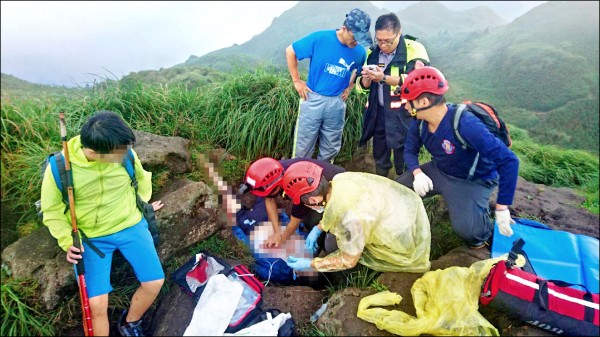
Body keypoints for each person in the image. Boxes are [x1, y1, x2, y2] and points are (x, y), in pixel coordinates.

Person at [40, 110, 164, 336]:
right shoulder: (60, 168)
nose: (124, 155)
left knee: (154, 282)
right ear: (95, 152)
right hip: (91, 239)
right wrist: (67, 241)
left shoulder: (124, 154)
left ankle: (130, 322)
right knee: (96, 306)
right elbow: (51, 210)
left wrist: (142, 205)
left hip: (130, 226)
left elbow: (141, 178)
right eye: (117, 154)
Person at [395, 66, 520, 249]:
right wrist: (417, 172)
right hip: (439, 170)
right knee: (397, 190)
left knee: (470, 233)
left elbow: (509, 160)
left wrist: (502, 206)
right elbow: (410, 150)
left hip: (471, 180)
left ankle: (484, 222)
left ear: (423, 101)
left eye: (408, 101)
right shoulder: (420, 121)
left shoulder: (465, 124)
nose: (405, 106)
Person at [282, 161, 431, 273]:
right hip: (401, 208)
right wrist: (319, 228)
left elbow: (348, 260)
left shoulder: (348, 219)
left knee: (332, 245)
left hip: (398, 234)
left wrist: (311, 264)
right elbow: (333, 210)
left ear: (314, 200)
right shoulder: (339, 180)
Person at [286, 8, 370, 163]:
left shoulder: (359, 51)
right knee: (303, 146)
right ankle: (299, 179)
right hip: (313, 98)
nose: (356, 42)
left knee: (330, 148)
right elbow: (291, 51)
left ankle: (323, 179)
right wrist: (297, 81)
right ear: (344, 28)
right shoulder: (320, 38)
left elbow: (358, 70)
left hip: (337, 103)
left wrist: (349, 87)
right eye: (354, 37)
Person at [355, 13, 430, 178]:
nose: (383, 45)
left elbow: (419, 80)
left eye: (388, 41)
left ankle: (405, 185)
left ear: (399, 33)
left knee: (403, 156)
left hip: (405, 115)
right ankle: (382, 179)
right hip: (379, 113)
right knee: (380, 154)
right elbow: (361, 88)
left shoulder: (414, 50)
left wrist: (383, 78)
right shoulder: (372, 53)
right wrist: (366, 81)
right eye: (379, 40)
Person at [238, 157, 345, 250]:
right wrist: (276, 232)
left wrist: (281, 239)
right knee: (309, 218)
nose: (269, 195)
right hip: (318, 192)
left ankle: (324, 246)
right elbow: (269, 199)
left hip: (339, 188)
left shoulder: (296, 185)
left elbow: (295, 220)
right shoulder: (273, 171)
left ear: (278, 185)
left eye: (271, 192)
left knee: (323, 226)